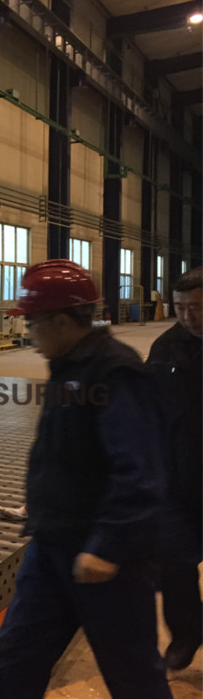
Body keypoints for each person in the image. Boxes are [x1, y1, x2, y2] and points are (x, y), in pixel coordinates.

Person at [0, 259, 176, 699]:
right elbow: (68, 450)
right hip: (50, 546)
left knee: (132, 673)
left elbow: (140, 471)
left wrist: (108, 546)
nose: (28, 332)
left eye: (33, 322)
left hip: (107, 559)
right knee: (18, 657)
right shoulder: (67, 365)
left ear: (61, 321)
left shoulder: (114, 371)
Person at [147, 266, 203, 671]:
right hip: (179, 480)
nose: (187, 316)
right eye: (180, 307)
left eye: (196, 307)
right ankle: (186, 634)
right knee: (174, 564)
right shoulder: (166, 348)